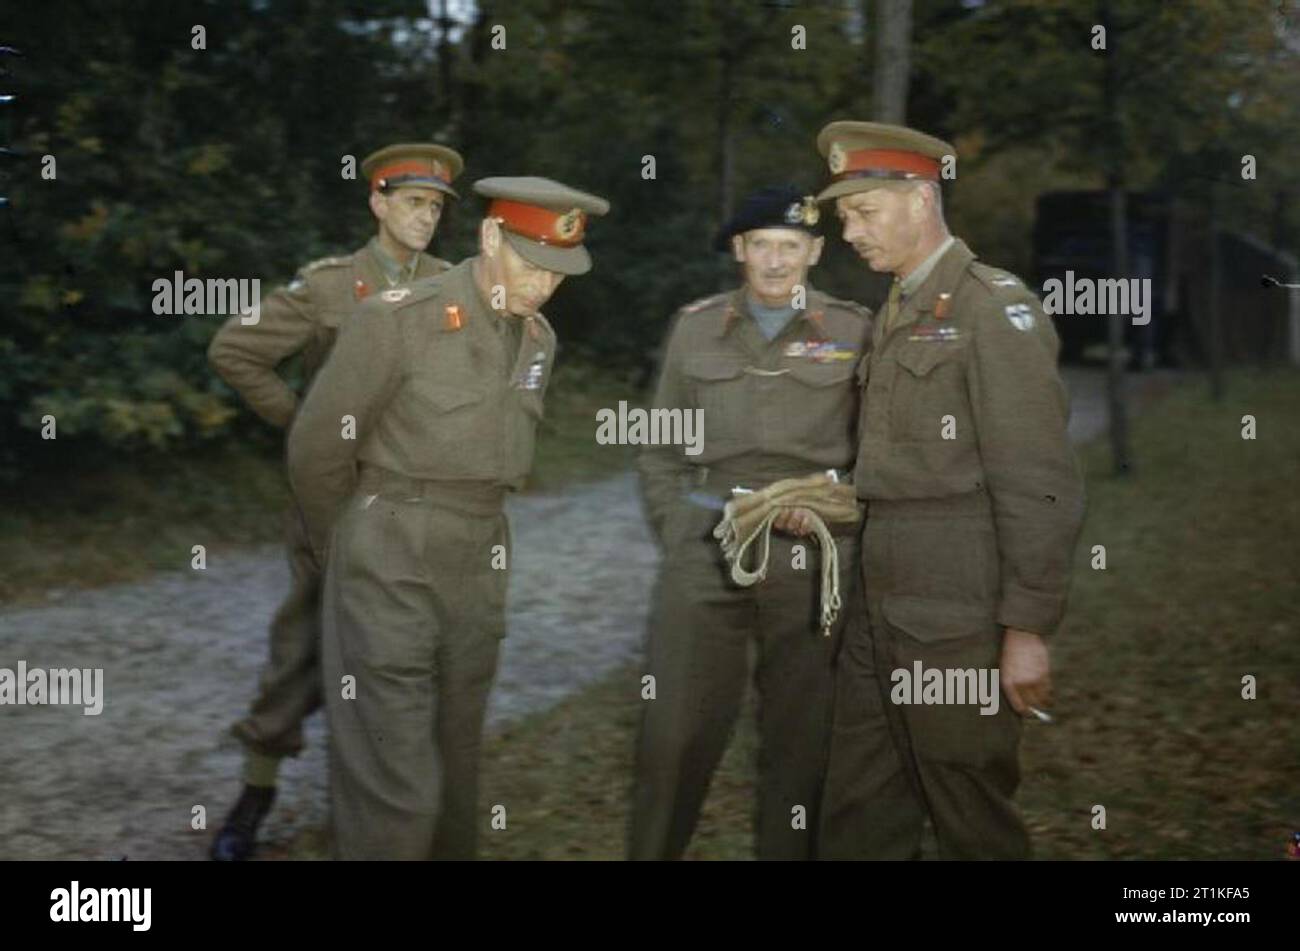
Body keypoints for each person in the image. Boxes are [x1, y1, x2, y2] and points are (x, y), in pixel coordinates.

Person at [286, 176, 609, 860]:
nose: (545, 285)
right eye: (533, 263)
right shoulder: (398, 318)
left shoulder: (538, 339)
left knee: (456, 769)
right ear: (491, 236)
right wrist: (341, 549)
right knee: (394, 785)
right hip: (390, 547)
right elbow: (318, 447)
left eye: (560, 272)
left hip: (481, 556)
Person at [812, 121, 1085, 860]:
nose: (851, 234)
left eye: (864, 213)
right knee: (859, 806)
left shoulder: (990, 307)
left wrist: (1025, 628)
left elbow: (1039, 481)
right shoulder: (897, 308)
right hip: (880, 593)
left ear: (921, 198)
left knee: (967, 806)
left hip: (958, 604)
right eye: (844, 218)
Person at [205, 142, 462, 861]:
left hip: (423, 499)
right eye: (413, 201)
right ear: (377, 203)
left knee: (417, 645)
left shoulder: (455, 285)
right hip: (336, 498)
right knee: (305, 645)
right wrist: (304, 426)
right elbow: (235, 349)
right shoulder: (328, 286)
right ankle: (254, 795)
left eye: (436, 206)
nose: (426, 217)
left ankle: (400, 808)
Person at [630, 185, 872, 860]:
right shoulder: (695, 326)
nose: (774, 261)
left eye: (790, 246)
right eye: (760, 245)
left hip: (809, 558)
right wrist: (677, 528)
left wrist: (830, 506)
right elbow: (659, 445)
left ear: (816, 251)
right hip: (706, 547)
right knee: (672, 733)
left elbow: (878, 452)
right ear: (739, 250)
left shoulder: (853, 330)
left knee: (802, 742)